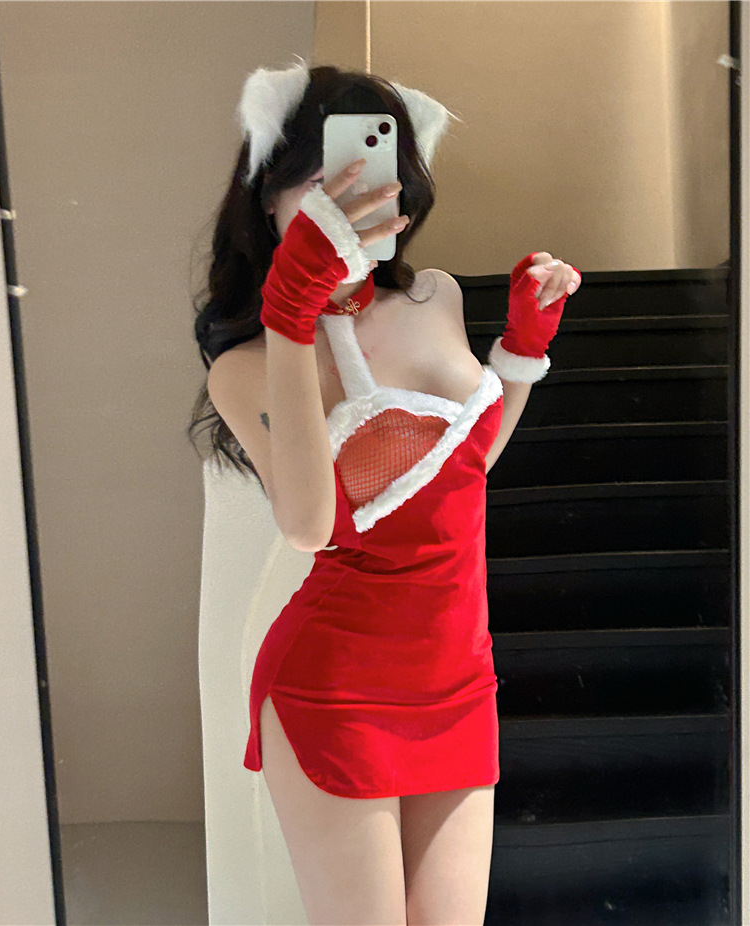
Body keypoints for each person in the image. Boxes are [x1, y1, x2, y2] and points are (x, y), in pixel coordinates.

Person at [191, 59, 581, 926]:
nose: (353, 201)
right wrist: (291, 316)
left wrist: (521, 353)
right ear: (268, 197)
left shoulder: (436, 296)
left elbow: (463, 470)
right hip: (337, 687)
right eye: (322, 183)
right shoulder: (246, 364)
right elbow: (307, 524)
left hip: (459, 677)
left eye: (374, 175)